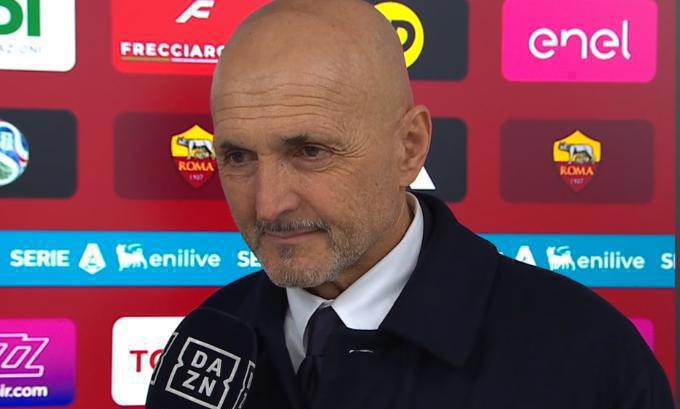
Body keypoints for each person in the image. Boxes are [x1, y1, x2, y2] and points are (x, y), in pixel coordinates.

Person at [203, 0, 675, 407]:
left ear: (409, 147)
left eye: (310, 152)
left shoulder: (591, 360)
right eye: (238, 157)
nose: (268, 205)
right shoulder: (206, 338)